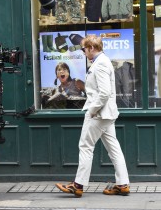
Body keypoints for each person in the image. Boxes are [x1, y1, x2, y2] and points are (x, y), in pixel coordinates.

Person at [55, 35, 130, 197]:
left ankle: (78, 185)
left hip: (99, 114)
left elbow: (104, 92)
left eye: (84, 49)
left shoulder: (101, 63)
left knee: (85, 146)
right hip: (106, 114)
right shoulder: (101, 61)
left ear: (91, 48)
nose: (83, 52)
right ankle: (122, 184)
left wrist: (92, 110)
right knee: (113, 148)